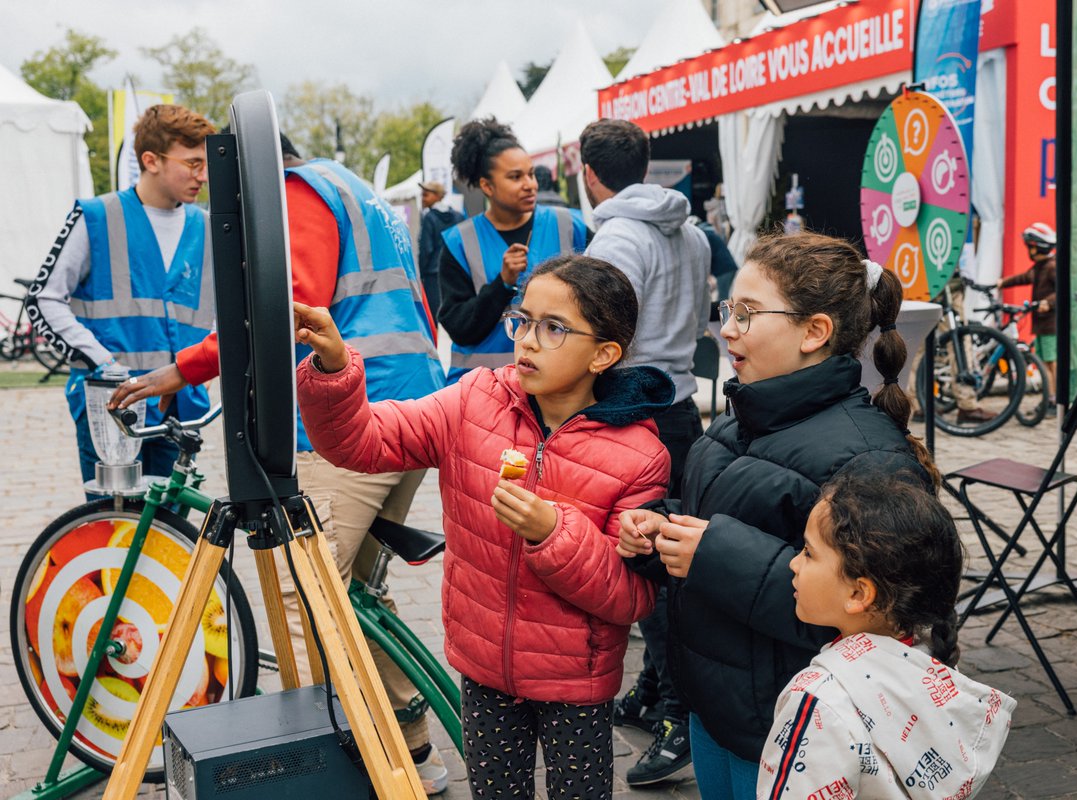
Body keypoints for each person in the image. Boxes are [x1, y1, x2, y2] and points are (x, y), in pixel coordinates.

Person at [108, 134, 450, 793]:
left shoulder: (298, 195)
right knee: (357, 594)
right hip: (409, 403)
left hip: (353, 415)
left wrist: (180, 371)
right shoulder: (360, 194)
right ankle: (413, 750)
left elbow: (285, 311)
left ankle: (337, 767)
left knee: (307, 590)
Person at [294, 254, 673, 800]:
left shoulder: (639, 455)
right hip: (484, 670)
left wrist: (553, 533)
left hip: (578, 684)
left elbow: (630, 600)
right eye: (523, 320)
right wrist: (333, 366)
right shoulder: (475, 400)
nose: (528, 341)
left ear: (604, 354)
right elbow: (362, 442)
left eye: (554, 328)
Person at [617, 231, 939, 800]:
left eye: (747, 312)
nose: (728, 328)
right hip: (715, 709)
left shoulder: (867, 455)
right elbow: (712, 518)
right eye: (727, 309)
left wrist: (710, 553)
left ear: (814, 332)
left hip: (794, 732)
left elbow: (873, 610)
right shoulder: (734, 418)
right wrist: (658, 527)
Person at [578, 117, 711, 785]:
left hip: (637, 412)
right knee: (667, 562)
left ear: (587, 169)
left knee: (653, 574)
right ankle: (657, 693)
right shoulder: (689, 231)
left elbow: (603, 332)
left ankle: (681, 718)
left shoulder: (616, 237)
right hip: (681, 408)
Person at [758, 469, 1015, 799]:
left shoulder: (818, 701)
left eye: (808, 553)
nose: (794, 564)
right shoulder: (932, 662)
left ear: (859, 594)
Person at [26, 104, 216, 496]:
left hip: (180, 411)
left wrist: (196, 369)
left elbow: (223, 313)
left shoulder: (212, 229)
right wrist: (104, 365)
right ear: (151, 160)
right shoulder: (95, 216)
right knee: (111, 534)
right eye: (193, 163)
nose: (204, 175)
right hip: (109, 408)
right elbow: (44, 299)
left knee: (168, 539)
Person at [438, 117, 588, 384]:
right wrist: (502, 284)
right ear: (487, 186)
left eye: (530, 174)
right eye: (515, 177)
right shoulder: (459, 242)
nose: (530, 184)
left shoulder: (570, 226)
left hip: (555, 389)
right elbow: (460, 329)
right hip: (482, 392)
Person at [998, 222, 1058, 392]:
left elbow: (1062, 290)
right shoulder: (1041, 267)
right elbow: (1024, 277)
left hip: (1050, 325)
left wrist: (1048, 302)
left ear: (1035, 248)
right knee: (1045, 362)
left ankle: (1054, 398)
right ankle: (1051, 397)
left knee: (1051, 363)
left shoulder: (1051, 267)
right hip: (1042, 325)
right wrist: (1002, 282)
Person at [417, 180, 464, 316]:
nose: (422, 199)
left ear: (437, 196)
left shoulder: (429, 218)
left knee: (434, 314)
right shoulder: (458, 216)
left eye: (426, 195)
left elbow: (426, 249)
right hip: (456, 271)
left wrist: (421, 273)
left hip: (433, 274)